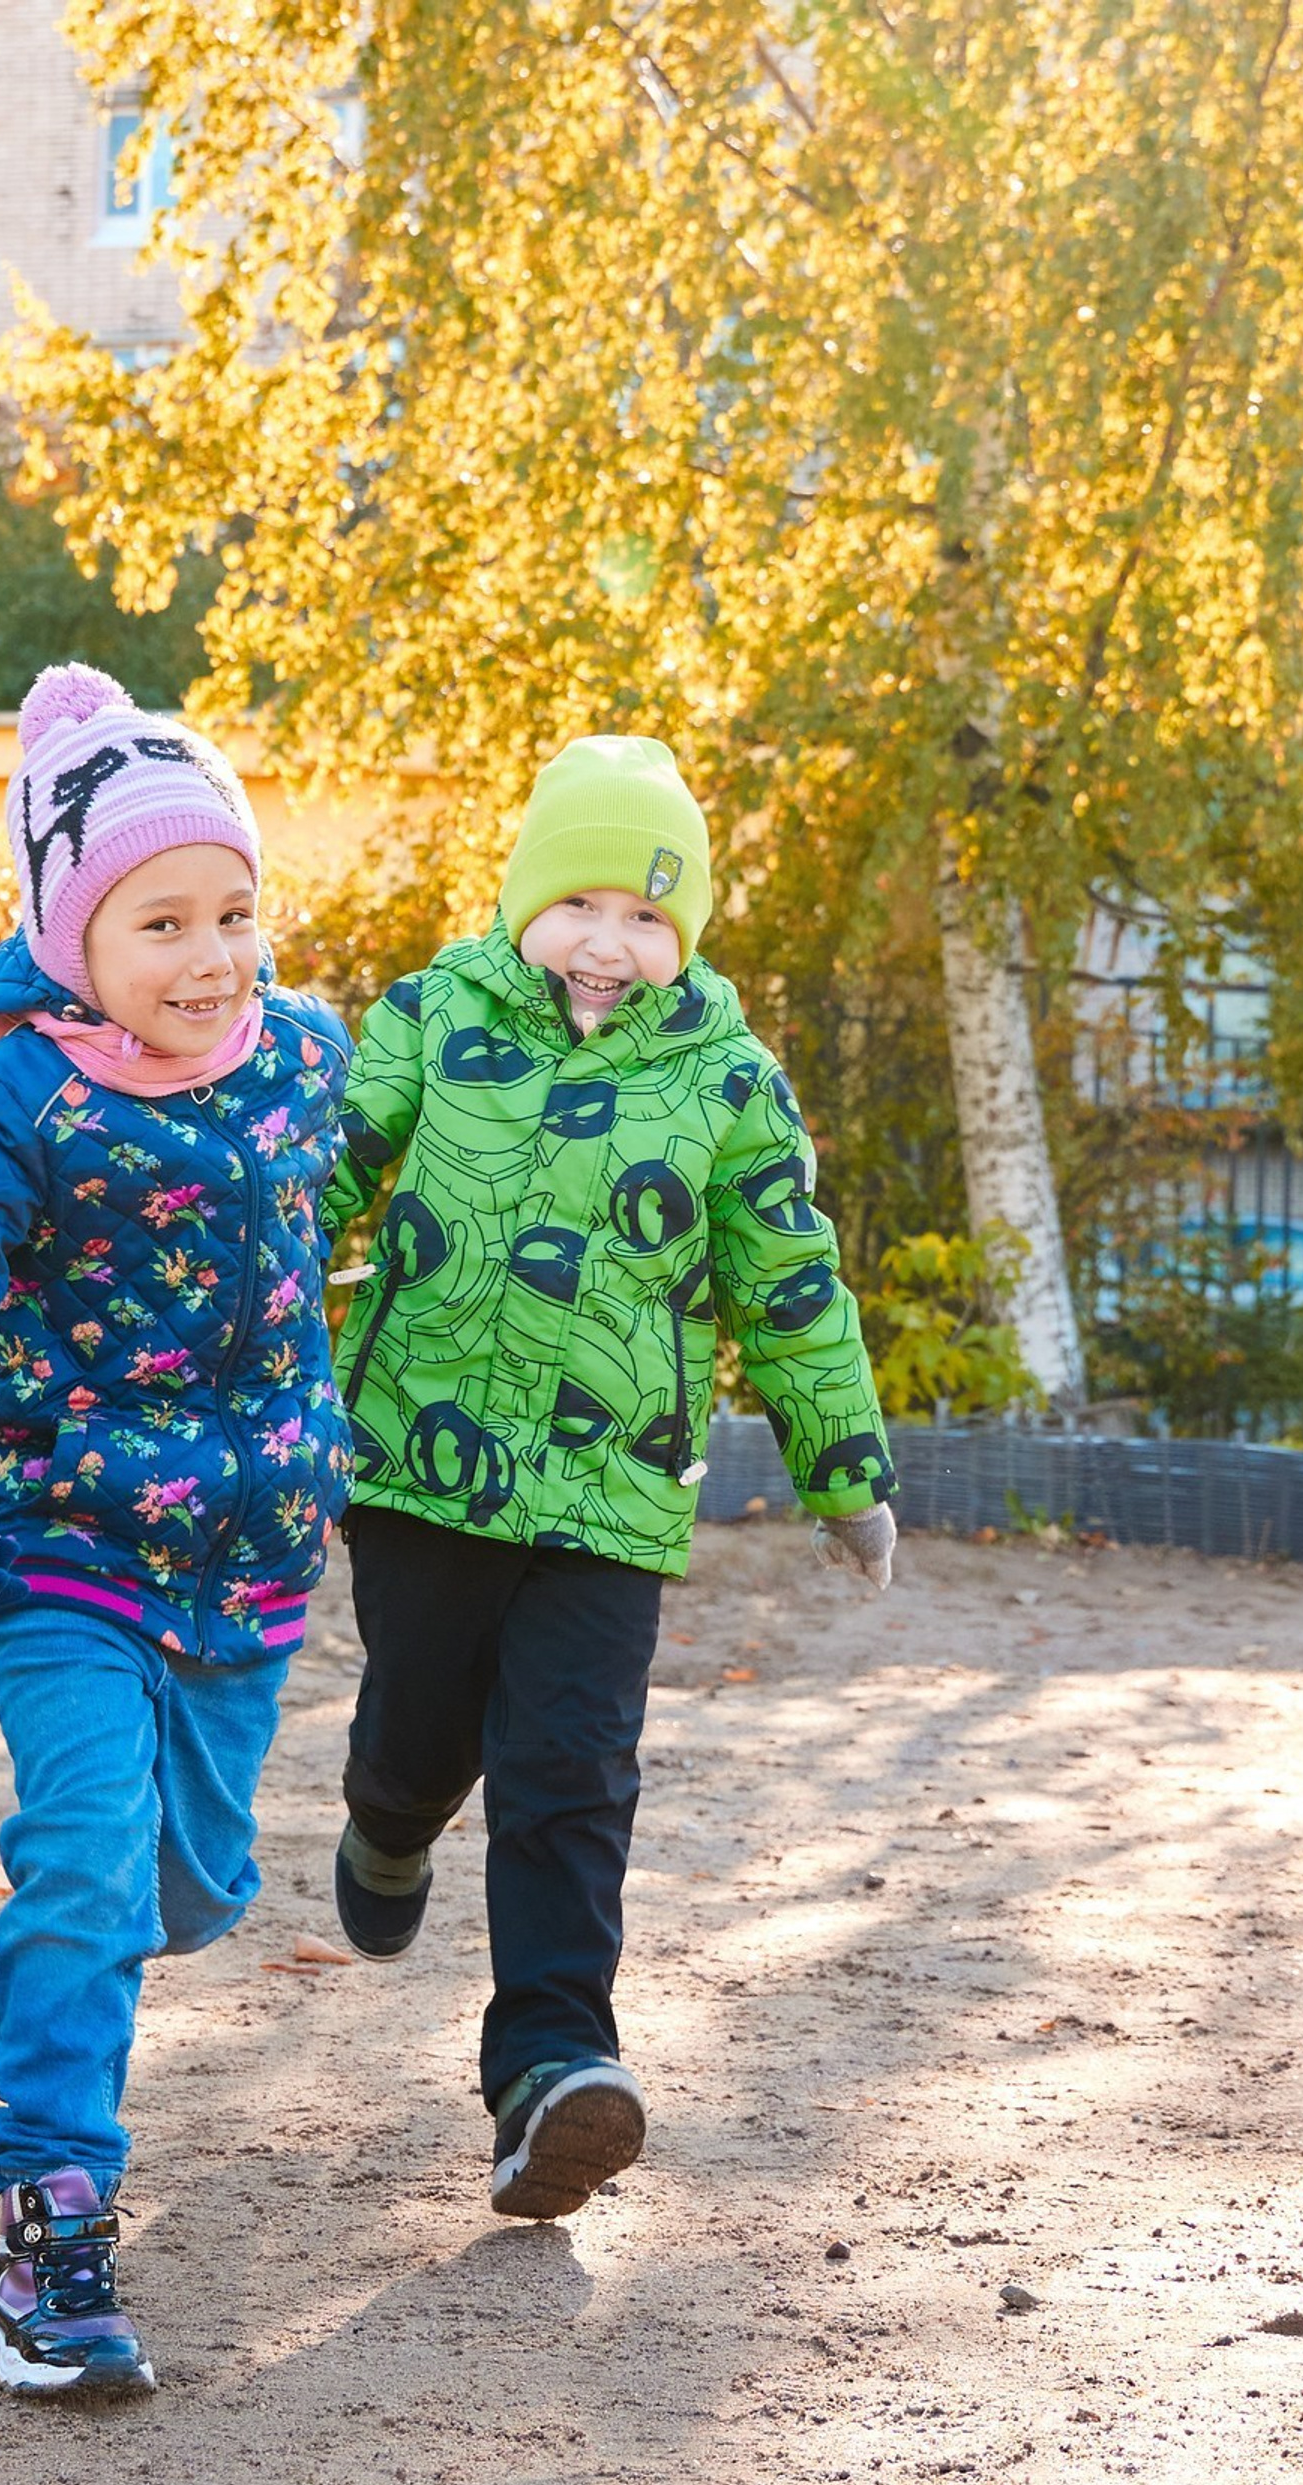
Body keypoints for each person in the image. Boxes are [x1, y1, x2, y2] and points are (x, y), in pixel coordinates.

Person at [0, 661, 352, 2395]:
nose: (212, 960)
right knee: (93, 1861)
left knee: (186, 1892)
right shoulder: (18, 1106)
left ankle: (34, 1970)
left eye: (236, 913)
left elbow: (457, 1135)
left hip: (254, 1573)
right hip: (65, 1555)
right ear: (71, 938)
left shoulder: (308, 1060)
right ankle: (48, 2236)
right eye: (161, 923)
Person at [322, 734, 897, 2221]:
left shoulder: (728, 1079)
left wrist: (843, 1466)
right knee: (422, 1721)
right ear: (524, 901)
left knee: (571, 1775)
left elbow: (788, 1280)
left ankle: (553, 2070)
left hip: (614, 1494)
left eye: (652, 917)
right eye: (583, 903)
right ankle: (388, 1822)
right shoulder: (431, 1015)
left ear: (685, 937)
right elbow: (314, 1169)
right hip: (418, 1474)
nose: (612, 944)